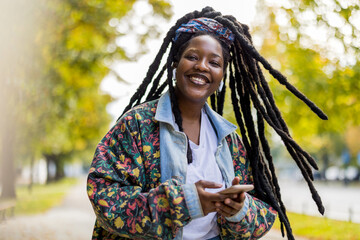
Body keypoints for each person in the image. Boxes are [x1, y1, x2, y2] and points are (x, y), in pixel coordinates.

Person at [87, 7, 326, 240]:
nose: (202, 66)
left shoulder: (230, 140)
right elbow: (105, 199)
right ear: (175, 63)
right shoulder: (136, 125)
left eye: (214, 62)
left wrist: (238, 212)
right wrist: (186, 202)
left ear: (221, 75)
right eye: (192, 57)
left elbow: (265, 213)